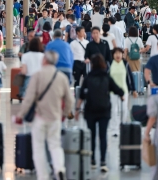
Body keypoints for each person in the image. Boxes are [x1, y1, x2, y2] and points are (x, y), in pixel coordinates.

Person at [15, 51, 73, 180]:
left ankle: (43, 176)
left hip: (40, 118)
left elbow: (29, 98)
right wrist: (64, 114)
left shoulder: (37, 76)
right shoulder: (61, 77)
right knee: (55, 146)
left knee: (39, 148)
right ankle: (59, 170)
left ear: (45, 61)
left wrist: (20, 115)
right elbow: (69, 99)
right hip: (55, 118)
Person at [75, 53, 125, 173]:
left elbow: (81, 96)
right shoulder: (106, 77)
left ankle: (92, 160)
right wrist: (122, 95)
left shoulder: (88, 78)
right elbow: (118, 90)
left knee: (91, 136)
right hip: (104, 110)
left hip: (90, 110)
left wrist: (77, 110)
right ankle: (103, 161)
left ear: (92, 65)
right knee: (103, 136)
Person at [108, 48, 137, 137]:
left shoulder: (125, 64)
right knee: (113, 110)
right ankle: (114, 129)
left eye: (120, 53)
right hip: (112, 92)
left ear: (122, 54)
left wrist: (133, 89)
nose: (118, 55)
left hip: (124, 91)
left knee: (124, 110)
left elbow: (130, 77)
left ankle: (122, 126)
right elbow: (106, 78)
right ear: (113, 55)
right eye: (116, 53)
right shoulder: (109, 64)